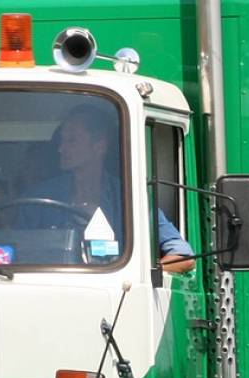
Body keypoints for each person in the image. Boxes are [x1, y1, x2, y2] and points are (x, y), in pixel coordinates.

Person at [24, 106, 195, 273]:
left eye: (72, 140)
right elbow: (17, 248)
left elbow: (183, 257)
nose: (61, 148)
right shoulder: (41, 195)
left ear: (100, 146)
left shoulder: (129, 197)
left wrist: (138, 274)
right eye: (62, 140)